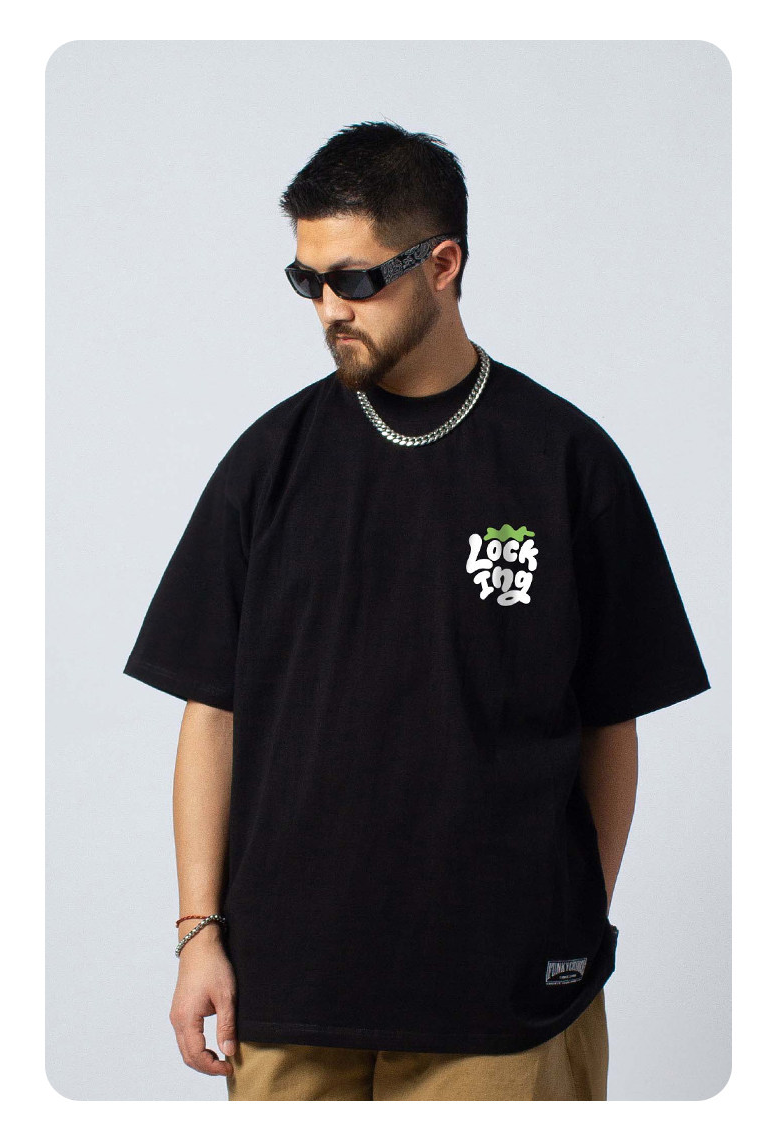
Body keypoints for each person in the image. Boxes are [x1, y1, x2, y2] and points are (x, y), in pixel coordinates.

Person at [123, 121, 711, 1101]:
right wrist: (198, 932)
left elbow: (612, 719)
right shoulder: (269, 464)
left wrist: (568, 921)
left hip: (503, 1009)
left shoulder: (566, 460)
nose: (329, 308)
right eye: (307, 280)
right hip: (288, 992)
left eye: (355, 279)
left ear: (443, 264)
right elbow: (211, 712)